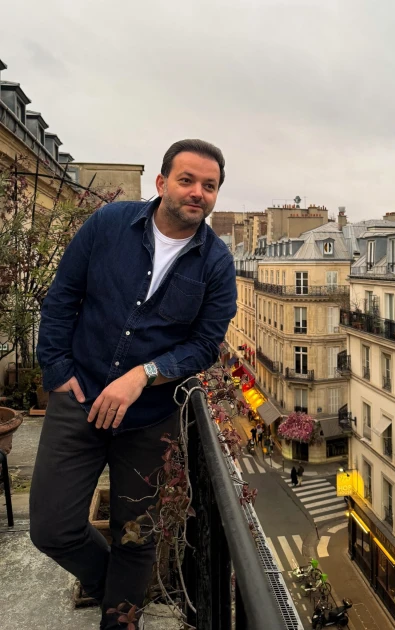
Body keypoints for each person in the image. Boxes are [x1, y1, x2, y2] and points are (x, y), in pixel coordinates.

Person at [30, 139, 237, 630]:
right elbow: (62, 297)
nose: (198, 192)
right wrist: (57, 371)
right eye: (187, 180)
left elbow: (205, 345)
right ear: (162, 183)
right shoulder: (109, 225)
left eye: (209, 186)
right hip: (79, 398)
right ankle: (115, 590)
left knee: (136, 536)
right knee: (52, 529)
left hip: (149, 420)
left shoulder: (216, 263)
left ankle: (120, 620)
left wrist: (142, 375)